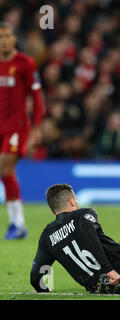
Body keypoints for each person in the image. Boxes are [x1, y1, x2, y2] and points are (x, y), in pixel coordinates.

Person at [0, 22, 44, 239]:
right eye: (1, 37)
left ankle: (18, 224)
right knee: (6, 174)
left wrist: (36, 127)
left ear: (14, 39)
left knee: (5, 169)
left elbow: (36, 97)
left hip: (16, 127)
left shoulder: (25, 63)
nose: (4, 40)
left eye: (7, 36)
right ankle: (16, 223)